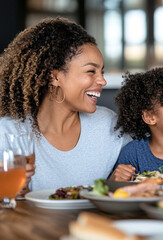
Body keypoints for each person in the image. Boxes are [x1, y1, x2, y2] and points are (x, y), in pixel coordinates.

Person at [0, 17, 131, 193]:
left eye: (102, 72)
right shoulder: (8, 133)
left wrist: (114, 187)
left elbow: (154, 161)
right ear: (54, 77)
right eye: (91, 71)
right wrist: (10, 192)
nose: (102, 80)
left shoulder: (109, 125)